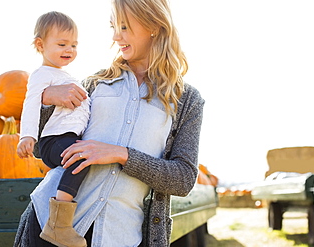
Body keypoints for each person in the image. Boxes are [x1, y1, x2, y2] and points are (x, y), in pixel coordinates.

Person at [14, 0, 205, 246]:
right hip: (49, 225)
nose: (116, 36)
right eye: (114, 26)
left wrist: (121, 154)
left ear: (153, 26)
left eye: (124, 27)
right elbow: (45, 149)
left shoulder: (187, 100)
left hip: (119, 236)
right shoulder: (94, 84)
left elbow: (183, 179)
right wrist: (46, 100)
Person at [17, 11, 90, 247]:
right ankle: (58, 225)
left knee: (82, 156)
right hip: (52, 140)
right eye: (62, 44)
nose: (69, 49)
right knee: (79, 157)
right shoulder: (41, 74)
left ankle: (61, 219)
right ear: (40, 45)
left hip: (67, 138)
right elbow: (31, 104)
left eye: (74, 45)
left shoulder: (67, 75)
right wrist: (27, 136)